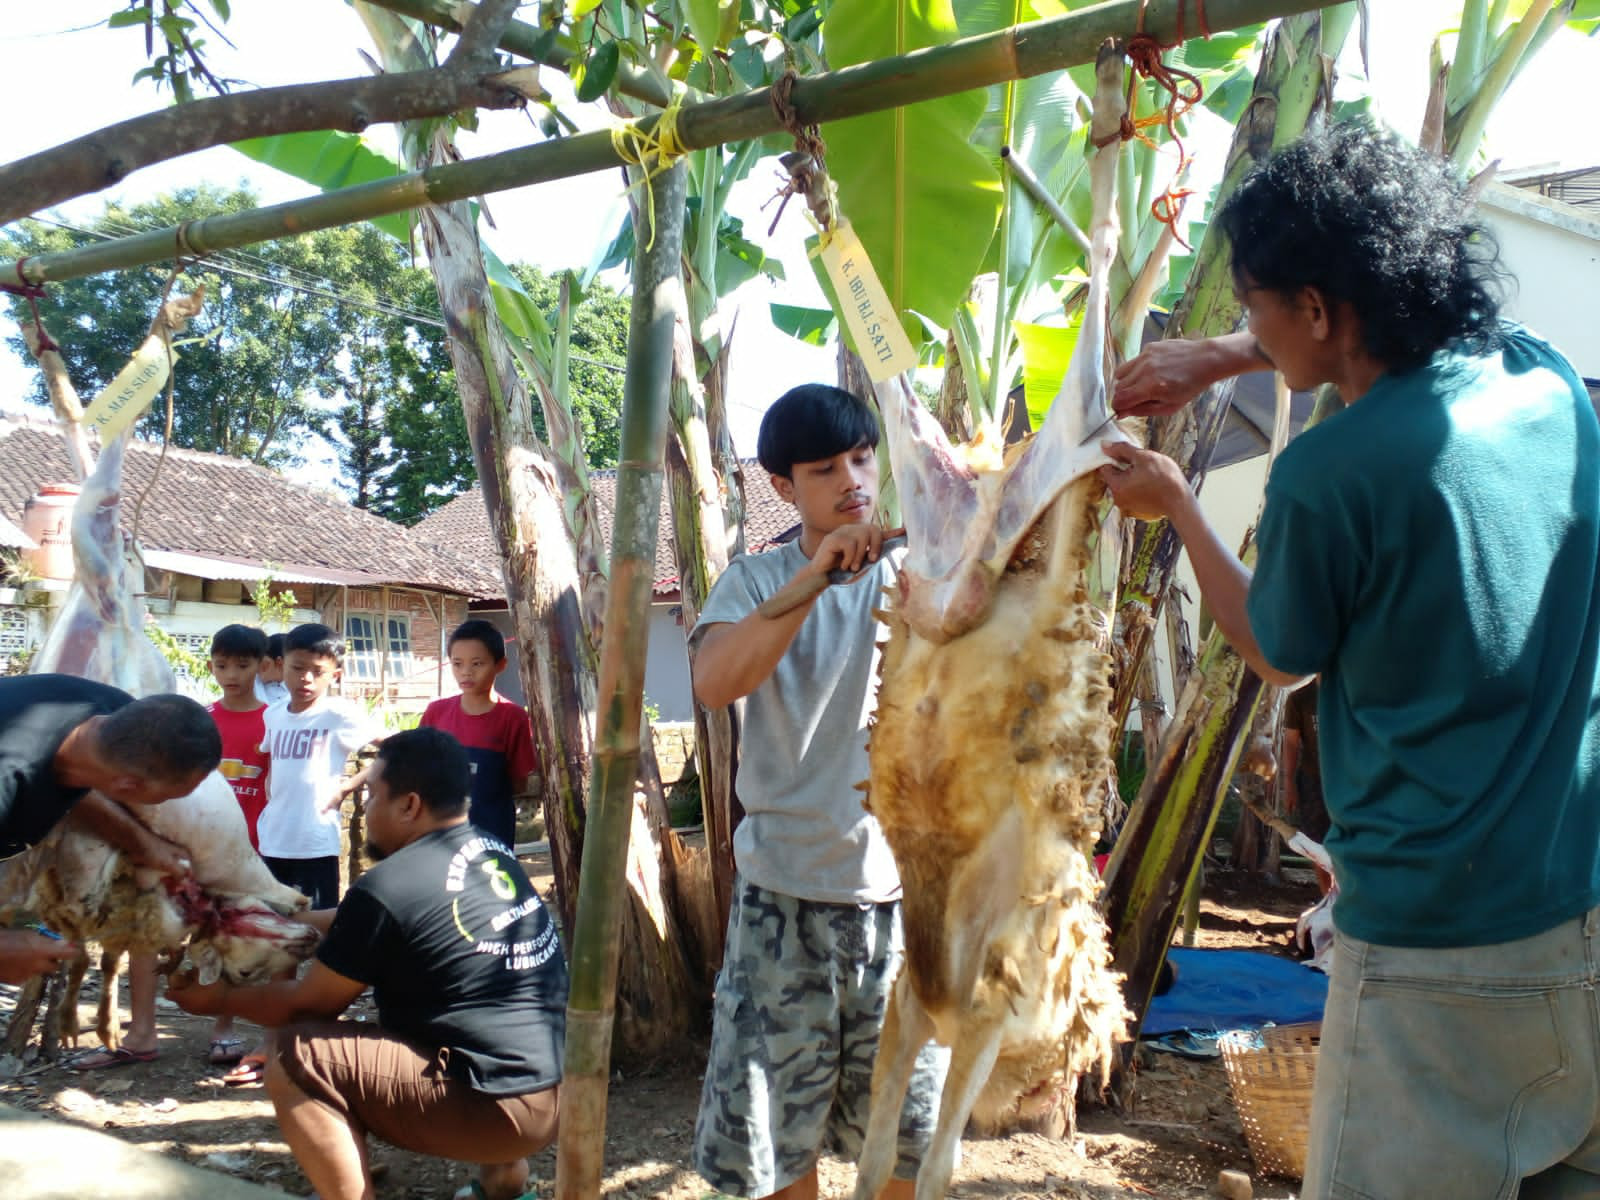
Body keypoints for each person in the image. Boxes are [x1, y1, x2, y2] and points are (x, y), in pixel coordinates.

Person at [1099, 122, 1600, 1199]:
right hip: (1575, 916)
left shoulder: (1331, 474)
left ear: (1319, 311)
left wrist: (1179, 503)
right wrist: (1235, 352)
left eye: (1256, 307)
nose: (1251, 328)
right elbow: (1408, 332)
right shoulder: (1546, 384)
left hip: (1436, 957)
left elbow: (1277, 654)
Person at [689, 384, 947, 1200]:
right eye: (825, 467)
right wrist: (814, 579)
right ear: (782, 487)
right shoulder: (754, 580)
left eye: (864, 458)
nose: (853, 480)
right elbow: (714, 680)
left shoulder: (923, 572)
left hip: (903, 905)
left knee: (908, 1140)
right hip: (783, 901)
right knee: (774, 1140)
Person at [167, 727, 566, 1200]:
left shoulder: (389, 887)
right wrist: (261, 917)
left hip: (494, 1110)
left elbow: (306, 1004)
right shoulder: (487, 849)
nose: (363, 807)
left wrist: (215, 998)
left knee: (296, 1054)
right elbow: (354, 924)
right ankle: (504, 1184)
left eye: (371, 794)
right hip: (554, 1092)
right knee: (468, 1013)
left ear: (409, 805)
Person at [0, 675, 219, 986]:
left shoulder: (117, 716)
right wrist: (6, 950)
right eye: (168, 797)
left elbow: (73, 775)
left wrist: (141, 843)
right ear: (127, 786)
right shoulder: (8, 777)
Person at [255, 623, 382, 912]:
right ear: (281, 665)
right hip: (273, 838)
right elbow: (273, 761)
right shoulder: (273, 714)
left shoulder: (338, 713)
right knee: (273, 926)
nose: (306, 679)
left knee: (316, 924)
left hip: (314, 840)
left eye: (317, 671)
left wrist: (347, 787)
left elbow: (398, 747)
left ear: (335, 676)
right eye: (297, 668)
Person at [419, 619, 536, 848]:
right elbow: (419, 769)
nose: (466, 673)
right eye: (457, 664)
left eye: (477, 664)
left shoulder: (514, 718)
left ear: (500, 665)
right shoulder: (436, 713)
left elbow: (519, 782)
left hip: (492, 834)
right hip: (439, 837)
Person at [255, 632, 288, 707]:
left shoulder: (299, 687)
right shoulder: (252, 684)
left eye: (264, 664)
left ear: (280, 662)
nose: (257, 667)